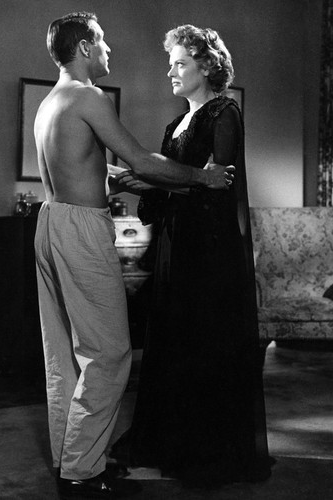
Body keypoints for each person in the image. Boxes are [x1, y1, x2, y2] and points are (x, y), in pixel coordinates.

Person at [33, 12, 234, 498]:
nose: (108, 51)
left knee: (64, 355)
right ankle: (82, 473)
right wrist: (202, 176)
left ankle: (71, 460)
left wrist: (119, 180)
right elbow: (142, 160)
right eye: (102, 42)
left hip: (50, 221)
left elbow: (83, 167)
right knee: (109, 353)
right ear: (84, 48)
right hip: (81, 228)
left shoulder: (51, 101)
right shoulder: (88, 96)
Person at [111, 25, 272, 488]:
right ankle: (171, 440)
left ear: (206, 66)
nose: (171, 72)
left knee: (203, 343)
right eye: (172, 63)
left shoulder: (224, 112)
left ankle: (206, 450)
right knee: (174, 340)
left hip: (207, 249)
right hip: (174, 245)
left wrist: (157, 179)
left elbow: (218, 188)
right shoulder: (175, 125)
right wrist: (139, 181)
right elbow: (175, 188)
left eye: (180, 63)